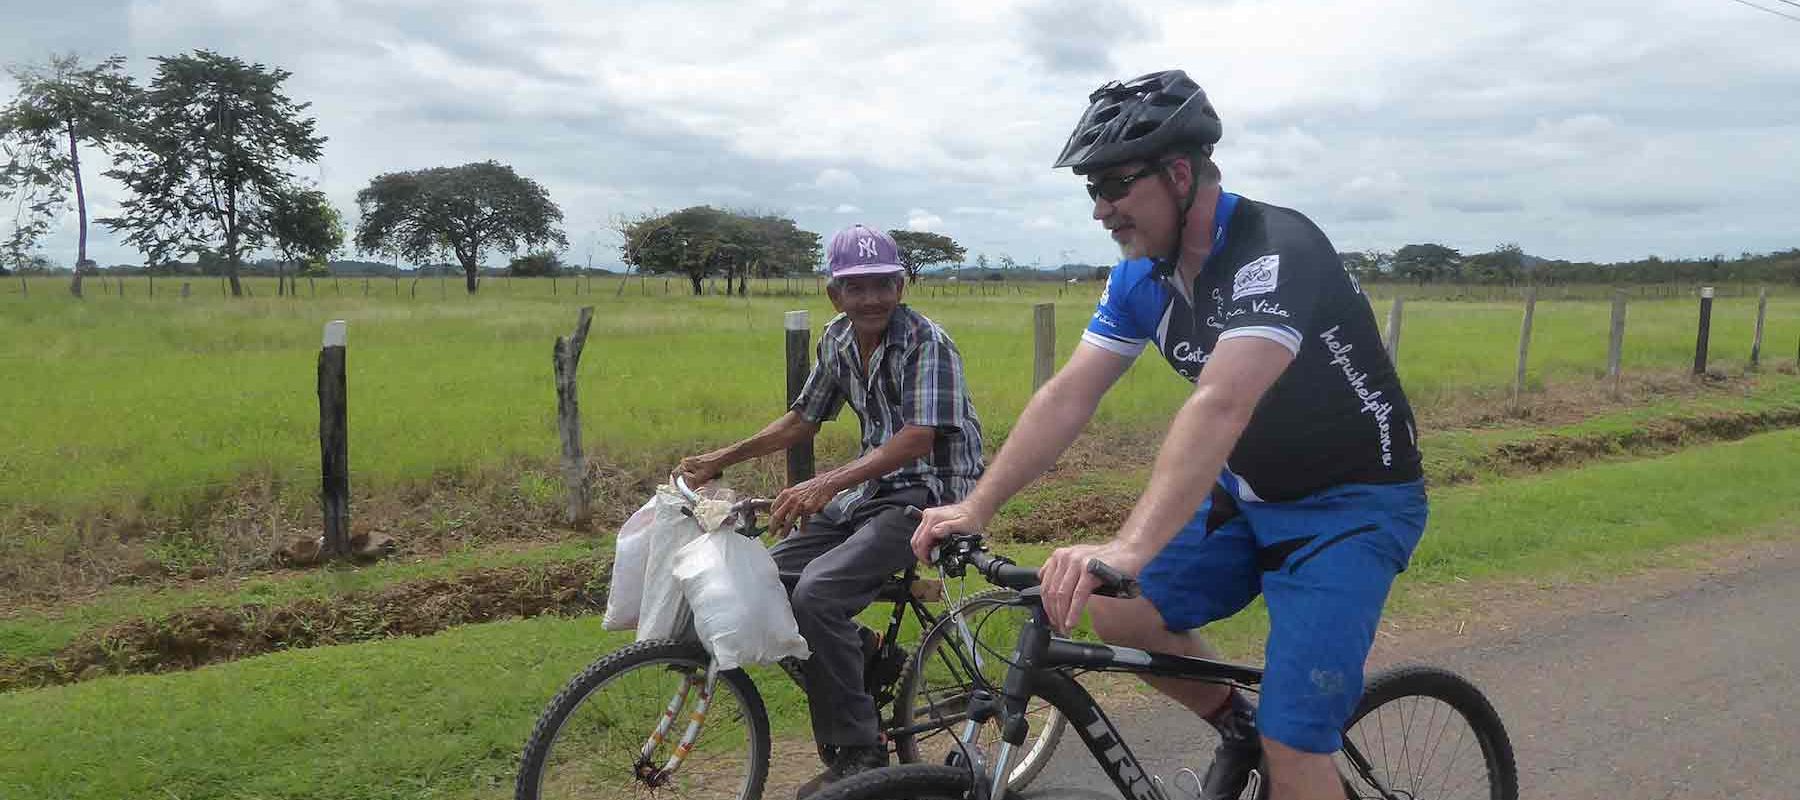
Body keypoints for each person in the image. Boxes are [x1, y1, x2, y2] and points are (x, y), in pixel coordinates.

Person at [912, 70, 1426, 800]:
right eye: (1090, 190)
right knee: (1118, 605)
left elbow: (1221, 403)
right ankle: (1234, 722)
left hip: (1352, 507)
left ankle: (1276, 744)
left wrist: (1126, 545)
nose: (1101, 210)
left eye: (1115, 187)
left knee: (1295, 745)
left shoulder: (1273, 251)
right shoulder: (1142, 277)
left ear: (1178, 173)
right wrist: (977, 505)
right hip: (1248, 492)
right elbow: (1068, 397)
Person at [676, 223, 984, 798]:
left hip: (932, 495)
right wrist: (724, 456)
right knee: (766, 575)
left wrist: (825, 482)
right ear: (834, 294)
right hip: (871, 491)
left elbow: (918, 438)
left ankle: (861, 750)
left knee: (818, 593)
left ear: (902, 284)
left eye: (882, 285)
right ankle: (865, 655)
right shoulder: (838, 339)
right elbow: (803, 418)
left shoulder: (927, 342)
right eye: (856, 287)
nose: (871, 298)